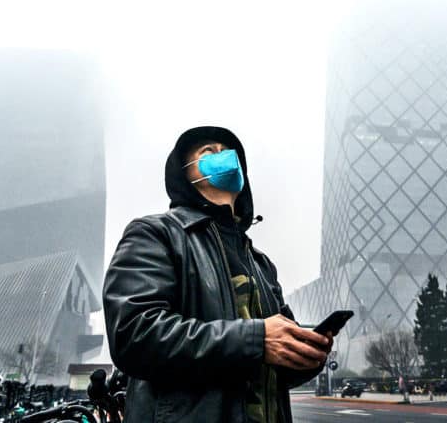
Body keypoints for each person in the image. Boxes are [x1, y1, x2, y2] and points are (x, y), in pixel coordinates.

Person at [103, 126, 333, 422]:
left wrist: (305, 353)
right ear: (185, 174)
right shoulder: (156, 234)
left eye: (228, 152)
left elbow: (271, 367)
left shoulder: (260, 263)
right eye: (208, 152)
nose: (222, 156)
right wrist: (256, 339)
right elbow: (134, 335)